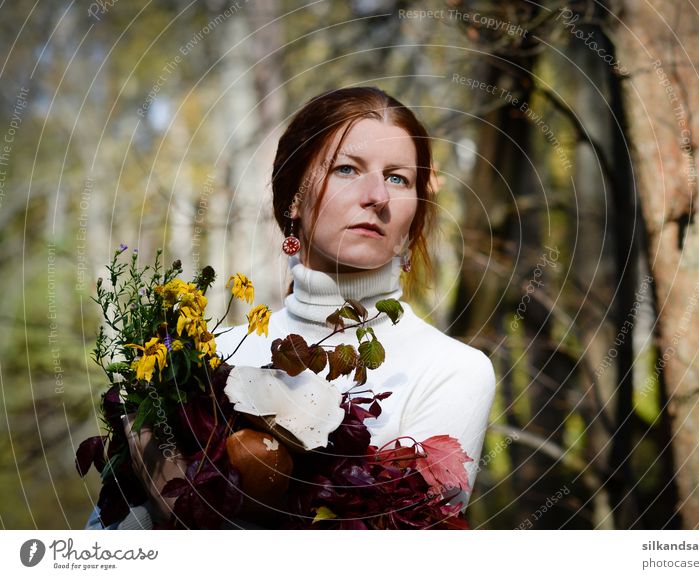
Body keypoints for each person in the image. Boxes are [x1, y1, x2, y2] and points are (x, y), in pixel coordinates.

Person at [85, 86, 496, 529]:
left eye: (398, 178)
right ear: (294, 199)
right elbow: (101, 545)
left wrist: (183, 510)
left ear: (414, 214)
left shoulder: (453, 371)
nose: (377, 195)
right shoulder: (204, 357)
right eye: (347, 169)